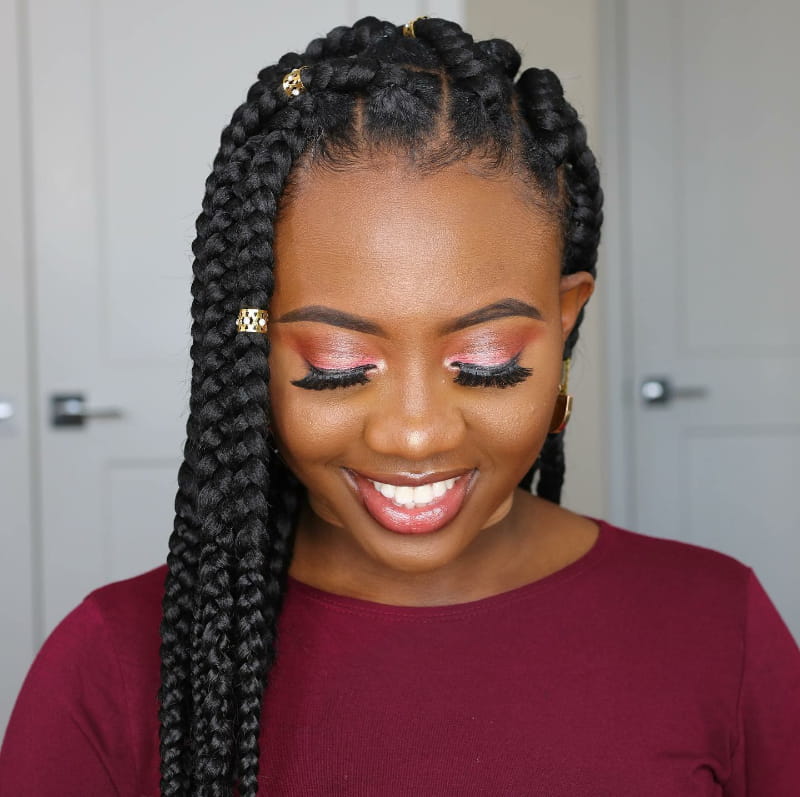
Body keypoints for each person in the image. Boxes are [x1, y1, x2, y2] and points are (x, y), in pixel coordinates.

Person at [1, 14, 799, 797]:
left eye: (483, 361)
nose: (415, 432)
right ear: (253, 347)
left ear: (565, 320)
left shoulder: (716, 625)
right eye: (339, 365)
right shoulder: (111, 666)